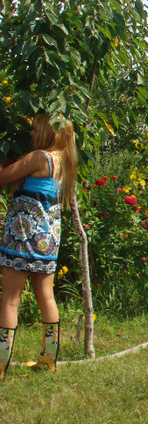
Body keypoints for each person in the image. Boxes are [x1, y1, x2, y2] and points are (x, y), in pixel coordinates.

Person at [0, 113, 78, 378]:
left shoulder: (38, 157)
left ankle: (0, 364)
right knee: (46, 296)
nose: (31, 135)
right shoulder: (64, 163)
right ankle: (48, 360)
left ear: (47, 133)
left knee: (10, 299)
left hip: (22, 239)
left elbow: (4, 177)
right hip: (47, 241)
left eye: (35, 130)